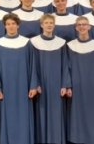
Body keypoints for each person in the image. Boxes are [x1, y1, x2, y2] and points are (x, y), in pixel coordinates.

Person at [0, 13, 39, 144]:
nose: (11, 26)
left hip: (23, 86)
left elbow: (32, 65)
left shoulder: (26, 43)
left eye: (13, 23)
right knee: (6, 117)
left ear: (18, 25)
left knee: (23, 116)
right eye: (8, 24)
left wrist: (33, 86)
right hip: (5, 88)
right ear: (4, 26)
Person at [65, 16, 94, 144]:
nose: (82, 27)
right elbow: (67, 67)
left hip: (93, 86)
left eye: (84, 24)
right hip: (76, 87)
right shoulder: (70, 46)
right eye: (79, 25)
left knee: (93, 115)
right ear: (76, 28)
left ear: (89, 27)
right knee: (76, 115)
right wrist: (68, 85)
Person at [29, 13, 69, 144]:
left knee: (57, 113)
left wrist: (64, 84)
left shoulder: (61, 43)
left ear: (54, 25)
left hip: (57, 83)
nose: (49, 25)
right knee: (41, 112)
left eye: (51, 23)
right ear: (41, 25)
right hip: (41, 84)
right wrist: (35, 83)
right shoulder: (34, 42)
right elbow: (32, 64)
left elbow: (65, 65)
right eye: (46, 23)